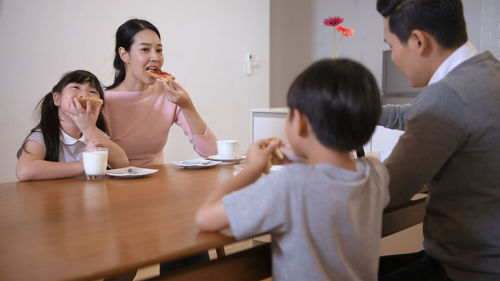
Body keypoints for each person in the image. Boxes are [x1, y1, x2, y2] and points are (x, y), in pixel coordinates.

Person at [196, 58, 390, 281]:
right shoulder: (376, 173)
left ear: (299, 122)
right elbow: (334, 178)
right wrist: (305, 159)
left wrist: (254, 168)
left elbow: (205, 218)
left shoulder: (290, 184)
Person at [376, 0, 500, 280]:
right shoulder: (487, 72)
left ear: (418, 41)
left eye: (392, 45)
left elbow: (387, 192)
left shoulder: (446, 96)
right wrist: (368, 112)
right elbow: (420, 115)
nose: (393, 57)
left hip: (466, 270)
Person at [103, 18, 217, 166]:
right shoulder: (102, 101)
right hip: (115, 182)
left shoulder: (169, 93)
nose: (155, 57)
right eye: (145, 49)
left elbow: (213, 153)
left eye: (159, 50)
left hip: (158, 181)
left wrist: (187, 106)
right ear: (124, 55)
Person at [16, 70, 129, 181]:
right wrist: (81, 165)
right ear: (57, 99)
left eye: (92, 92)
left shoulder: (94, 134)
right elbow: (24, 171)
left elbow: (122, 164)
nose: (84, 94)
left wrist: (88, 128)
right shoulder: (43, 136)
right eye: (76, 87)